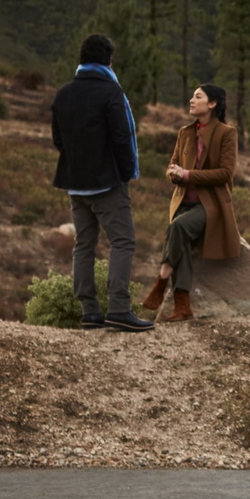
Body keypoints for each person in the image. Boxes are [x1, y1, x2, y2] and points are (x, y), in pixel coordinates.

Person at [50, 33, 155, 332]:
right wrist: (123, 174)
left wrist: (78, 163)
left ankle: (90, 312)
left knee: (84, 244)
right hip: (107, 183)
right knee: (123, 241)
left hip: (75, 183)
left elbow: (59, 139)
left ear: (82, 59)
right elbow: (123, 138)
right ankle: (120, 308)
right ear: (109, 60)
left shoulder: (63, 93)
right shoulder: (112, 92)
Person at [141, 84, 240, 323]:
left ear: (212, 103)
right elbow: (172, 165)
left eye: (198, 97)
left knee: (177, 228)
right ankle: (183, 307)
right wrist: (174, 174)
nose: (191, 100)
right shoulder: (185, 132)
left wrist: (187, 175)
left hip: (211, 206)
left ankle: (162, 279)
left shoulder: (226, 133)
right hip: (183, 202)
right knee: (180, 237)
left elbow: (225, 173)